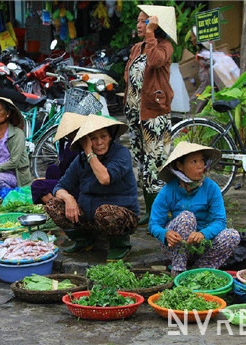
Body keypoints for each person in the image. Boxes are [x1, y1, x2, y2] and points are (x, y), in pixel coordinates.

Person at [44, 114, 139, 262]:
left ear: (110, 137)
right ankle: (84, 241)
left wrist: (90, 153)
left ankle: (121, 245)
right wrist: (69, 198)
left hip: (120, 216)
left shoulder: (121, 154)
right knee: (53, 205)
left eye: (104, 136)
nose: (100, 142)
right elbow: (59, 187)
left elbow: (105, 178)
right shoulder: (80, 160)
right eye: (94, 139)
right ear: (87, 141)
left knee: (105, 212)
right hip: (90, 216)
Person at [148, 142, 241, 276]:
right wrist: (165, 234)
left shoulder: (211, 188)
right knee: (187, 217)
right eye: (194, 161)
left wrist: (203, 234)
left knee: (232, 235)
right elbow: (154, 224)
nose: (200, 166)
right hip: (176, 246)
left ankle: (198, 271)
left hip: (202, 245)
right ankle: (178, 270)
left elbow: (220, 221)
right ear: (180, 166)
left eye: (202, 160)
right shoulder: (168, 190)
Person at [124, 5, 176, 226]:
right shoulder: (137, 48)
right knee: (143, 164)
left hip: (155, 114)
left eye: (145, 21)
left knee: (156, 166)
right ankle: (150, 212)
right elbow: (129, 74)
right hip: (135, 114)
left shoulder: (164, 47)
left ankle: (160, 215)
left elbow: (154, 62)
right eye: (138, 20)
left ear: (156, 25)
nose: (139, 24)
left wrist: (151, 34)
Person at [30, 112, 83, 204]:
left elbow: (72, 174)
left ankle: (55, 206)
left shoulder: (76, 146)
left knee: (37, 185)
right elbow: (65, 169)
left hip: (78, 185)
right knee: (52, 169)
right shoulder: (70, 143)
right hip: (70, 177)